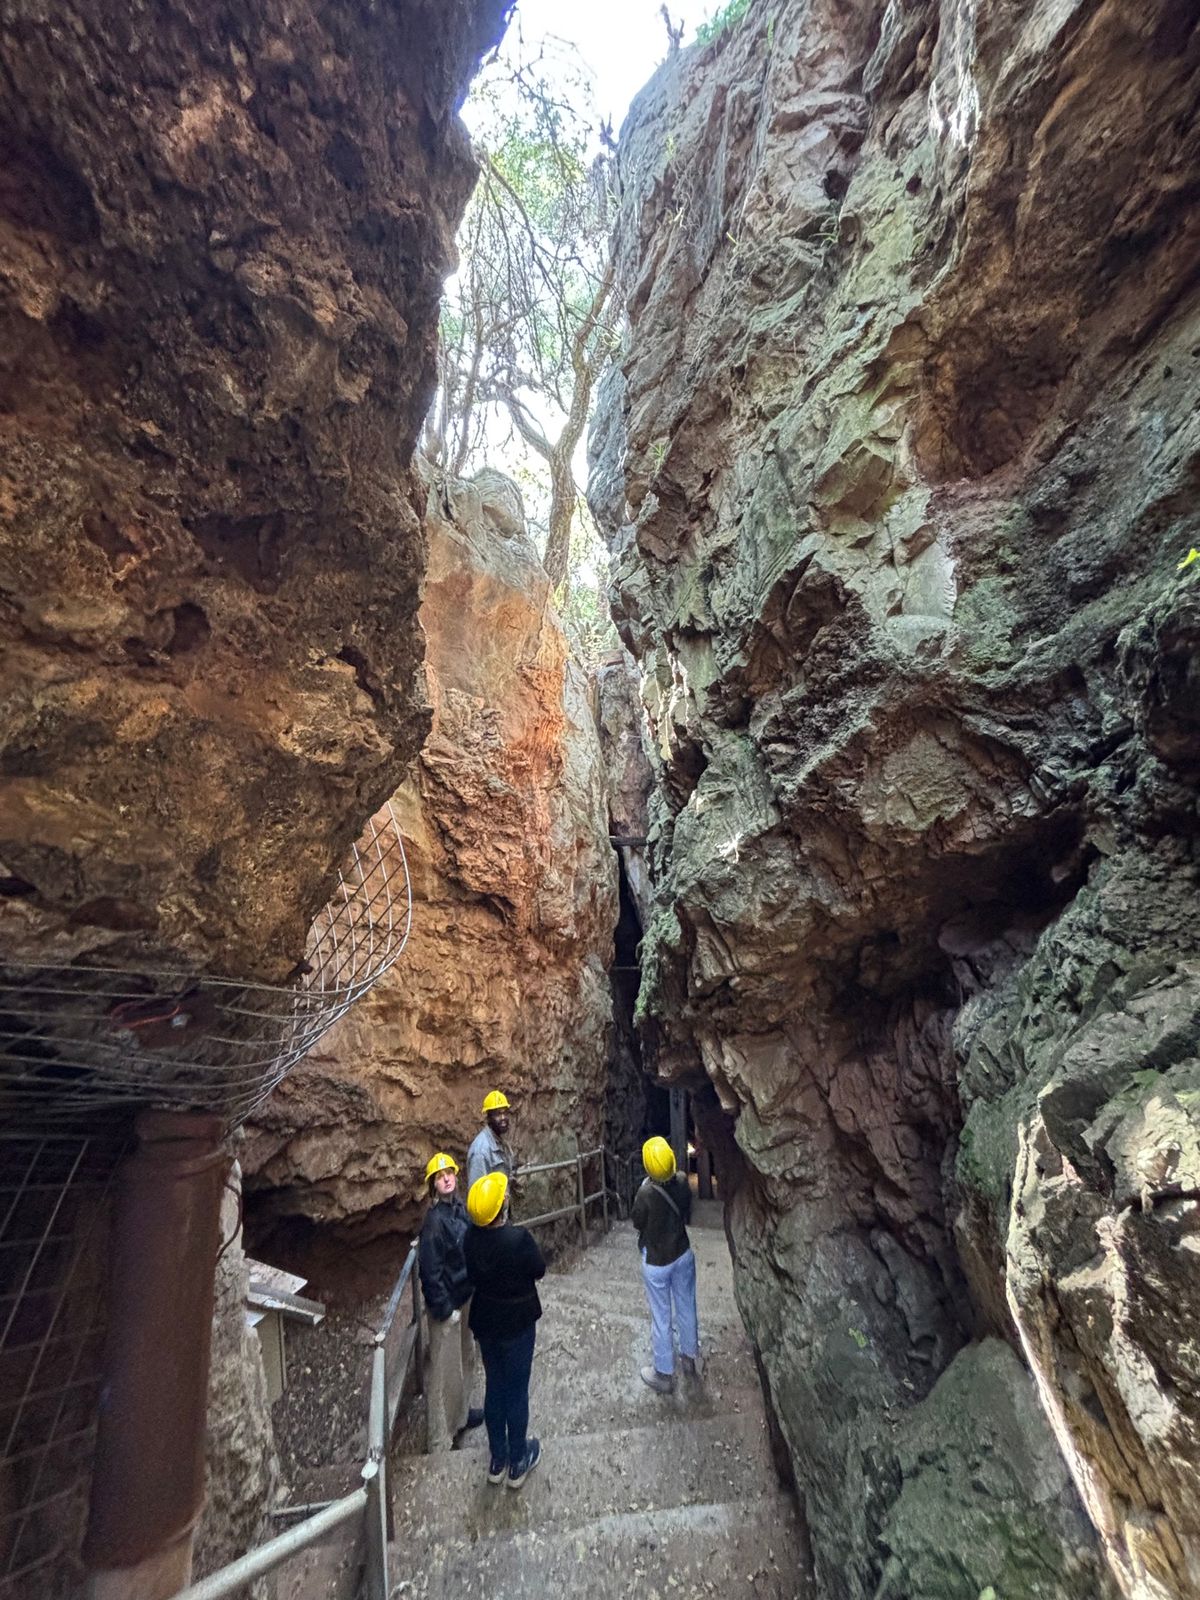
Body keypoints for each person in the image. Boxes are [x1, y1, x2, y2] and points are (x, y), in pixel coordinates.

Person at [464, 1170, 544, 1489]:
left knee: (494, 1386)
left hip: (486, 1322)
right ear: (501, 1207)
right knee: (516, 1388)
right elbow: (538, 1269)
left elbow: (471, 1275)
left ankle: (497, 1460)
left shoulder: (469, 1238)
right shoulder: (517, 1240)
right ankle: (518, 1460)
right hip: (517, 1323)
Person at [417, 1152, 483, 1451]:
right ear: (433, 1184)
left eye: (450, 1173)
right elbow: (430, 1273)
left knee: (465, 1359)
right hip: (448, 1306)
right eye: (440, 1175)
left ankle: (461, 1415)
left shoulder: (461, 1209)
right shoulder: (433, 1223)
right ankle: (439, 1439)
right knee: (443, 1372)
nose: (446, 1178)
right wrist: (445, 1310)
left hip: (465, 1294)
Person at [631, 1135, 700, 1394]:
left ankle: (664, 1373)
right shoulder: (682, 1180)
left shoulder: (645, 1193)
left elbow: (637, 1221)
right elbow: (685, 1207)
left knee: (661, 1316)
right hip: (682, 1253)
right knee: (687, 1304)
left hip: (657, 1261)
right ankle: (690, 1359)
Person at [466, 1089, 516, 1192]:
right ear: (488, 1118)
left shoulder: (501, 1141)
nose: (503, 1118)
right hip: (491, 1208)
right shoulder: (481, 1151)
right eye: (497, 1114)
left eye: (505, 1113)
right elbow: (477, 1194)